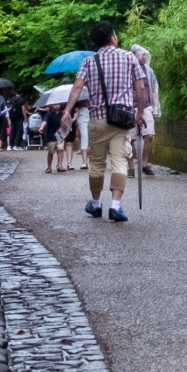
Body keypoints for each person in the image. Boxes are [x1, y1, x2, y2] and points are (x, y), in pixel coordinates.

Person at [60, 20, 147, 223]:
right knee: (119, 161)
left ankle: (96, 203)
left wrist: (67, 110)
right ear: (112, 37)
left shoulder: (89, 62)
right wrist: (140, 112)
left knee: (96, 163)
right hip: (122, 119)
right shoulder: (129, 58)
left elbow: (77, 88)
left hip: (97, 119)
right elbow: (141, 87)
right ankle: (115, 206)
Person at [130, 44, 162, 178]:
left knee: (149, 135)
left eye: (145, 55)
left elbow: (154, 90)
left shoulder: (148, 71)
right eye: (142, 55)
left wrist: (155, 107)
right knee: (129, 139)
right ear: (134, 56)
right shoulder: (127, 70)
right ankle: (130, 167)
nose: (145, 57)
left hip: (146, 106)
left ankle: (144, 163)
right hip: (130, 106)